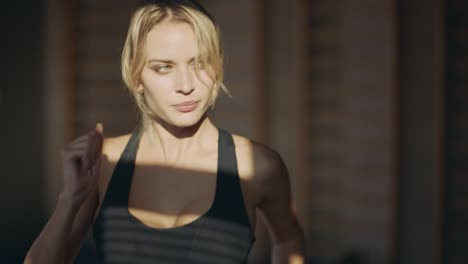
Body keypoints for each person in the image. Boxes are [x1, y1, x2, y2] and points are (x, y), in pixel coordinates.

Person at [24, 0, 305, 263]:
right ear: (137, 78)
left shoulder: (257, 165)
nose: (186, 84)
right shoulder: (105, 161)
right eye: (164, 68)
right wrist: (69, 199)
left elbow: (289, 240)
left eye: (200, 63)